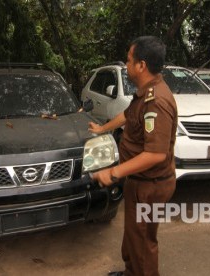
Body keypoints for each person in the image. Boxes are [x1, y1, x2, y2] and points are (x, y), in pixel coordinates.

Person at [89, 36, 178, 276]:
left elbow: (156, 154)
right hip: (139, 181)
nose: (126, 66)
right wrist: (102, 128)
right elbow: (128, 115)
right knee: (133, 234)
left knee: (143, 242)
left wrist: (113, 172)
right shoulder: (145, 94)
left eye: (129, 61)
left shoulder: (157, 101)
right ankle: (131, 272)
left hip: (151, 184)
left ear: (142, 65)